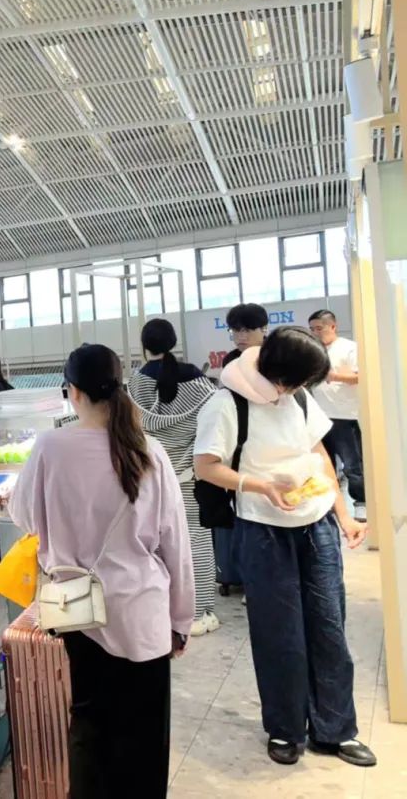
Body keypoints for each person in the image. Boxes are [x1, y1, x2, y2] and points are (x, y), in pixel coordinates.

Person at [9, 344, 194, 799]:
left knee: (90, 729)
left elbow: (23, 515)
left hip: (80, 613)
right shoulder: (149, 450)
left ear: (72, 392)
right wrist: (181, 620)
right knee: (145, 737)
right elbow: (175, 544)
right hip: (143, 615)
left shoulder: (51, 447)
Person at [194, 327, 375, 767]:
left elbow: (320, 455)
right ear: (279, 372)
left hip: (317, 522)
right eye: (298, 381)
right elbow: (206, 466)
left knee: (329, 627)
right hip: (263, 530)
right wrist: (261, 486)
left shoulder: (298, 397)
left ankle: (336, 730)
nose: (300, 388)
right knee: (279, 634)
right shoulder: (228, 403)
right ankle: (285, 728)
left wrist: (344, 515)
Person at [130, 319, 220, 637]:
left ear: (145, 346)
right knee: (197, 544)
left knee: (156, 547)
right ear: (174, 342)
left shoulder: (136, 384)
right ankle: (199, 612)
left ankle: (166, 609)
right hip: (191, 477)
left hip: (151, 479)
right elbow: (213, 425)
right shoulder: (199, 382)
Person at [309, 310, 366, 521]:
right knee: (324, 464)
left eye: (319, 328)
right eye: (312, 329)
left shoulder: (349, 347)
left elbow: (360, 376)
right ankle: (330, 504)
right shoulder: (313, 351)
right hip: (319, 416)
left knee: (353, 465)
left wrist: (332, 376)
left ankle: (360, 503)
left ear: (333, 326)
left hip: (345, 415)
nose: (315, 333)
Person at [222, 303, 269, 368]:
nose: (241, 337)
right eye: (236, 330)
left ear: (264, 329)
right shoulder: (230, 360)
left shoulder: (278, 355)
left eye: (247, 330)